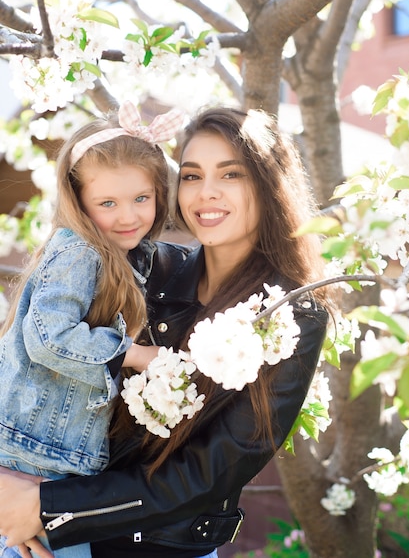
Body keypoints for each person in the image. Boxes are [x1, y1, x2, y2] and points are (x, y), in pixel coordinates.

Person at [0, 106, 330, 558]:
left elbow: (211, 472)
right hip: (54, 530)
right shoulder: (142, 265)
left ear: (268, 186)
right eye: (192, 176)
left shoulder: (292, 316)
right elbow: (30, 362)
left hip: (158, 546)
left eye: (230, 174)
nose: (206, 194)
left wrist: (48, 508)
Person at [0, 101, 184, 558]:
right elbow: (50, 339)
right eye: (108, 203)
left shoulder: (125, 258)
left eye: (141, 198)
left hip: (53, 462)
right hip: (32, 458)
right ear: (78, 201)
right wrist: (135, 354)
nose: (128, 216)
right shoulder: (80, 250)